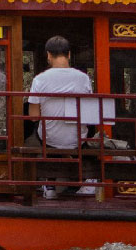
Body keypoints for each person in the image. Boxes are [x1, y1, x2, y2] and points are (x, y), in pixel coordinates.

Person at [26, 35, 93, 198]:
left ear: (48, 55)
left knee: (43, 132)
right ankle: (89, 179)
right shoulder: (83, 78)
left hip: (50, 139)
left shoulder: (39, 80)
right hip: (78, 138)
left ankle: (49, 185)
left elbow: (34, 116)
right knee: (80, 133)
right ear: (69, 54)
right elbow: (89, 111)